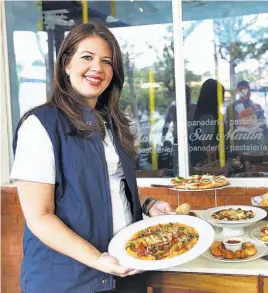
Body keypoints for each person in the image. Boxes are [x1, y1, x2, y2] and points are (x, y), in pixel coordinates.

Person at [10, 23, 173, 293]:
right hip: (68, 282)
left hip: (126, 270)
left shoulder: (114, 125)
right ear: (66, 64)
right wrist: (97, 259)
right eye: (87, 57)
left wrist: (147, 204)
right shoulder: (40, 125)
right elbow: (40, 216)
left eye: (106, 61)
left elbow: (108, 186)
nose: (97, 68)